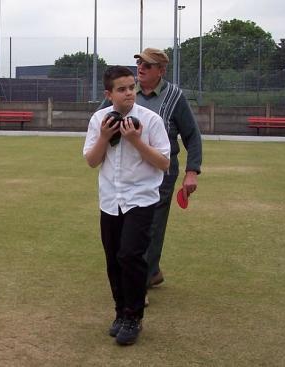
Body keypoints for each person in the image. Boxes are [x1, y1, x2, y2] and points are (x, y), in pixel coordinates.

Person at [99, 48, 202, 291]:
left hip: (161, 171)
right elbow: (101, 122)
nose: (141, 68)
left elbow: (192, 135)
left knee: (151, 227)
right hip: (123, 173)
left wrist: (192, 171)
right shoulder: (123, 93)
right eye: (139, 63)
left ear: (161, 71)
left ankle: (140, 282)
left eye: (148, 65)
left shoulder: (175, 96)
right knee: (124, 228)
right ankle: (151, 271)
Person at [83, 66, 170, 346]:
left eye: (131, 87)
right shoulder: (99, 120)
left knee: (131, 256)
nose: (129, 93)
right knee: (113, 260)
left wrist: (135, 140)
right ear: (108, 94)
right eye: (122, 89)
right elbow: (92, 161)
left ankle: (134, 316)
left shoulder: (151, 120)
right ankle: (120, 313)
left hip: (140, 199)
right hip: (110, 201)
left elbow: (164, 163)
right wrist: (105, 137)